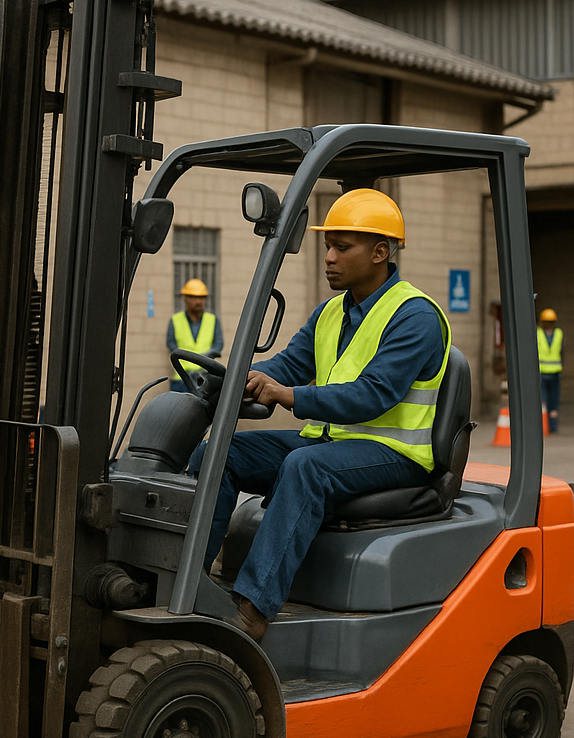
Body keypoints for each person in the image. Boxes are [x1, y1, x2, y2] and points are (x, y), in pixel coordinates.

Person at [192, 189, 450, 643]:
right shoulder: (332, 311)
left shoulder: (416, 316)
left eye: (341, 247)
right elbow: (289, 364)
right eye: (326, 246)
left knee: (304, 467)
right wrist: (241, 377)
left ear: (380, 252)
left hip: (393, 452)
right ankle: (188, 578)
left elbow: (374, 394)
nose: (328, 257)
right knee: (221, 451)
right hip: (335, 443)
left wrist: (288, 396)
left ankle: (252, 611)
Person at [166, 278, 224, 391]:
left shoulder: (212, 319)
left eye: (202, 297)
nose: (199, 301)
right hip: (182, 377)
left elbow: (218, 345)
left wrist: (206, 356)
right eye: (194, 297)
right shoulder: (175, 320)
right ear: (186, 299)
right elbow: (171, 344)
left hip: (205, 377)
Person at [538, 307, 563, 433]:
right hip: (542, 373)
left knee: (553, 400)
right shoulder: (537, 334)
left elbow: (561, 351)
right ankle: (543, 426)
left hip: (554, 373)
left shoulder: (559, 333)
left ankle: (552, 427)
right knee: (543, 400)